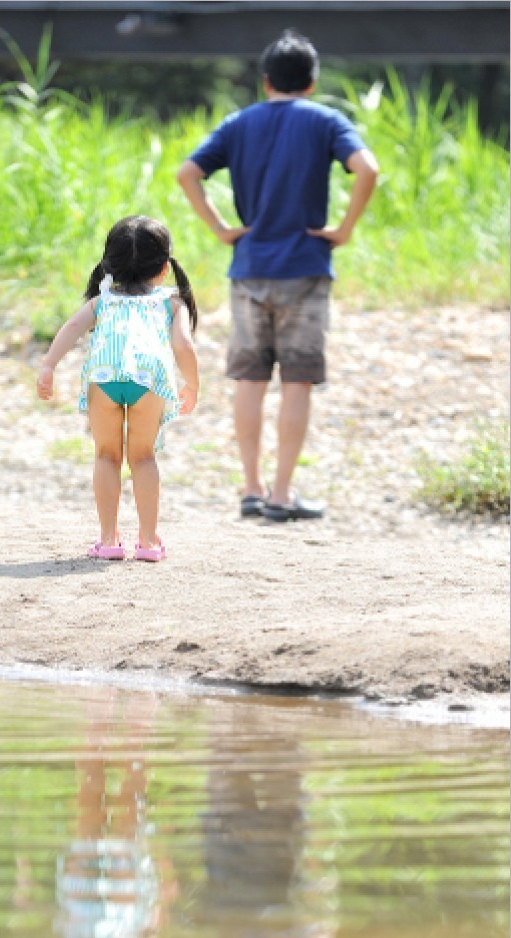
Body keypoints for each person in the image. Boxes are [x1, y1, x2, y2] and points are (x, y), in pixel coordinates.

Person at [177, 29, 379, 522]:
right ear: (311, 82)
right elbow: (367, 169)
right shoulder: (326, 120)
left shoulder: (239, 123)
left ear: (266, 81)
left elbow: (188, 172)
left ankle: (250, 488)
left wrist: (222, 228)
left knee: (249, 379)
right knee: (296, 383)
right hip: (306, 268)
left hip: (249, 270)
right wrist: (344, 229)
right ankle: (282, 495)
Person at [36, 215, 199, 561]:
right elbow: (184, 345)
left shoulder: (103, 300)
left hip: (104, 377)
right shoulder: (171, 302)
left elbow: (72, 327)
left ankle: (109, 540)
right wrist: (193, 384)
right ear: (164, 268)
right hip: (149, 379)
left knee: (107, 456)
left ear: (109, 263)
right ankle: (149, 542)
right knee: (143, 457)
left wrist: (49, 365)